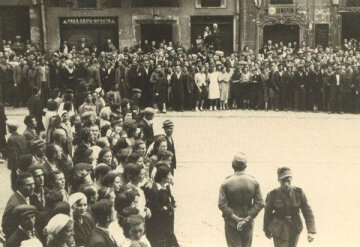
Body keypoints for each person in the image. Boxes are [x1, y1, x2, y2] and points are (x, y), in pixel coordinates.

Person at [218, 152, 264, 247]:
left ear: (232, 165)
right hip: (248, 222)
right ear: (245, 166)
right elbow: (259, 203)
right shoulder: (254, 182)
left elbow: (221, 204)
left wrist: (236, 219)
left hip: (231, 222)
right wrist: (246, 220)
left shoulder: (226, 183)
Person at [263, 167, 316, 247]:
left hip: (294, 227)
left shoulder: (299, 193)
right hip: (278, 229)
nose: (286, 184)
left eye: (288, 181)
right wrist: (266, 229)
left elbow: (307, 212)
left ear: (291, 179)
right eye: (283, 181)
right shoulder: (273, 195)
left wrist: (311, 231)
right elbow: (267, 213)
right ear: (279, 180)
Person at [146, 165, 178, 247]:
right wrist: (168, 207)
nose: (171, 177)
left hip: (167, 225)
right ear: (163, 178)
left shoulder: (166, 187)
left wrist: (168, 206)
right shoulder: (155, 191)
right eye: (169, 175)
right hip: (159, 227)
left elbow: (172, 201)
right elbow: (156, 210)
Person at [2, 172, 35, 239]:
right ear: (20, 187)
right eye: (28, 185)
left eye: (33, 184)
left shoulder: (27, 196)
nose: (33, 187)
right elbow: (7, 230)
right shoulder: (14, 205)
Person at [6, 120, 30, 191]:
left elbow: (13, 154)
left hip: (16, 164)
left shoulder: (11, 139)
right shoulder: (22, 136)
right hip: (24, 162)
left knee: (15, 183)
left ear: (10, 128)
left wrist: (14, 167)